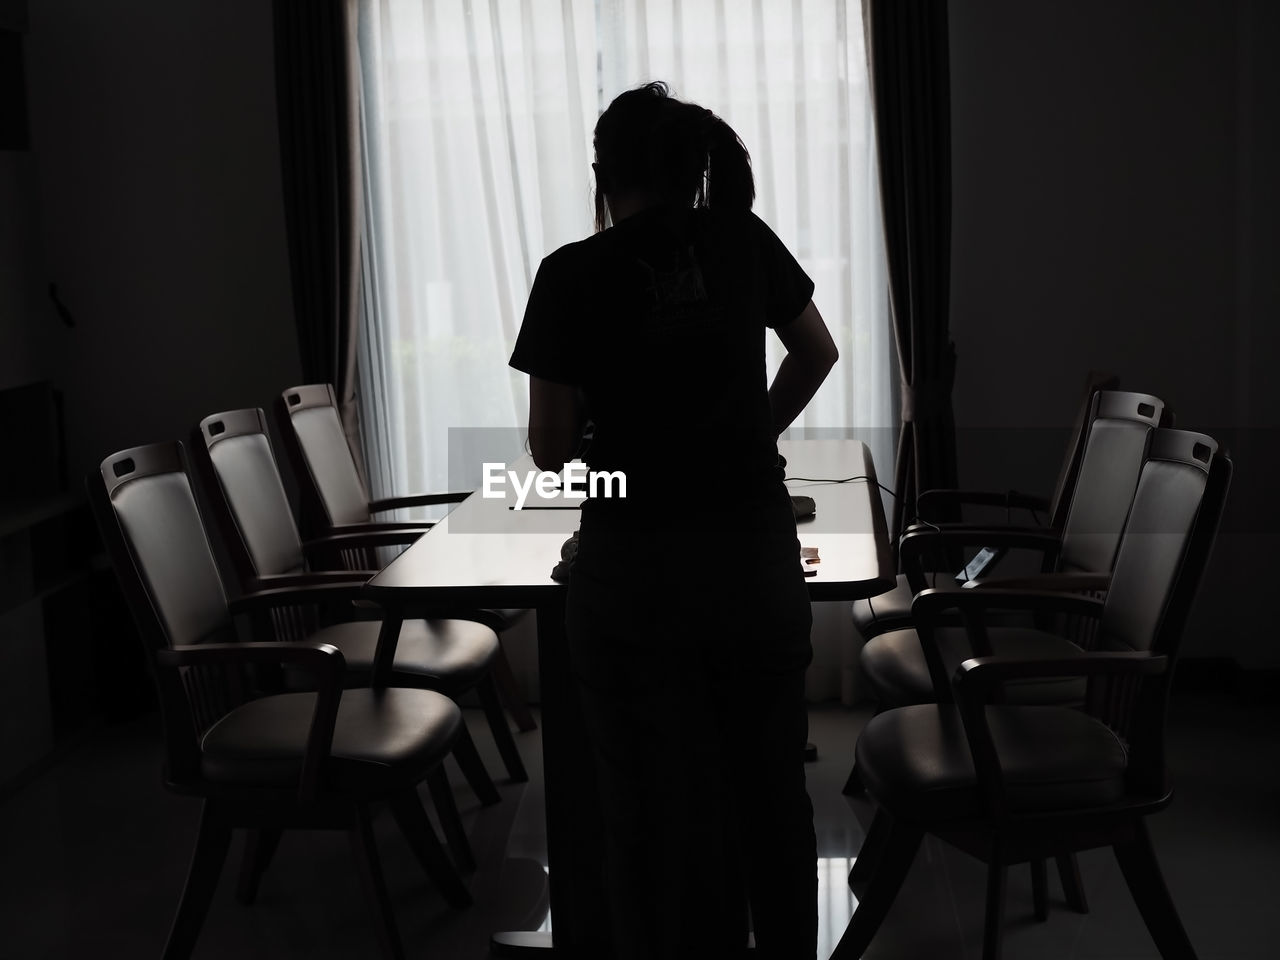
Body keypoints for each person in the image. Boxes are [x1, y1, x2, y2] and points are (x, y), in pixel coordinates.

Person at [509, 81, 838, 960]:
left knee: (646, 813)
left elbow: (547, 446)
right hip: (752, 567)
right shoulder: (744, 242)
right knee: (772, 800)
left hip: (632, 585)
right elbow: (819, 353)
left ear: (602, 175)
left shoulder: (571, 273)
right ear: (691, 170)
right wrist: (743, 434)